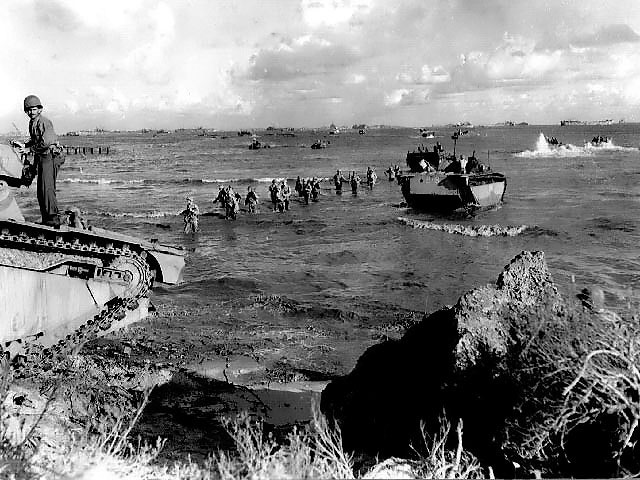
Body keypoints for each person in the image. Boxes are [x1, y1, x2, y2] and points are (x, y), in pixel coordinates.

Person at [14, 95, 63, 227]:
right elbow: (36, 140)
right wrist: (24, 145)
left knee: (47, 188)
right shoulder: (32, 122)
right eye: (28, 110)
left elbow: (46, 142)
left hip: (50, 156)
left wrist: (29, 149)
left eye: (34, 109)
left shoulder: (44, 122)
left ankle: (53, 219)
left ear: (40, 110)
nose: (31, 112)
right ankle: (46, 218)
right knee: (41, 190)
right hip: (41, 156)